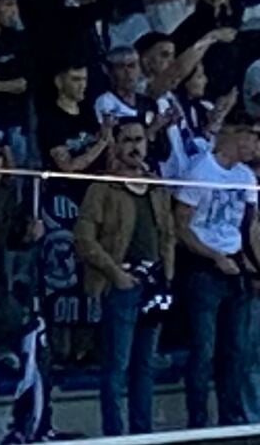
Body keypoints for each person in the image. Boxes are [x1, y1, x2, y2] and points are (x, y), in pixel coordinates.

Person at [75, 117, 175, 436]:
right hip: (120, 284)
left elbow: (168, 234)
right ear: (115, 145)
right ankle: (115, 436)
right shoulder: (102, 188)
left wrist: (167, 276)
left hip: (154, 284)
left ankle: (143, 434)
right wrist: (114, 273)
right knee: (116, 366)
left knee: (146, 365)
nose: (135, 146)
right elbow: (84, 239)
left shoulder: (157, 187)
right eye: (128, 140)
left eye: (139, 139)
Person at [174, 110, 258, 428]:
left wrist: (254, 265)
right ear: (235, 135)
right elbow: (181, 225)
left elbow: (250, 226)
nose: (255, 145)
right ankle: (197, 420)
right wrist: (213, 255)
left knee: (236, 348)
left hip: (236, 266)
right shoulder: (201, 171)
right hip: (203, 268)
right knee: (204, 348)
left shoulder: (246, 177)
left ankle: (231, 417)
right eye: (252, 137)